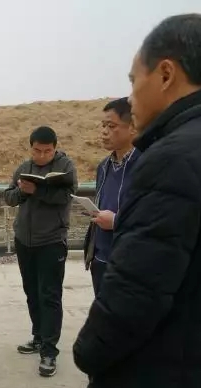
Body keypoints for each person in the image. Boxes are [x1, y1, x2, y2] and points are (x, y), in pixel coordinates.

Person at [73, 13, 201, 388]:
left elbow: (134, 297)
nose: (132, 97)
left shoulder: (172, 159)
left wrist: (88, 352)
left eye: (134, 80)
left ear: (166, 74)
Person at [3, 126, 78, 377]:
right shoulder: (24, 168)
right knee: (32, 292)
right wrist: (22, 192)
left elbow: (67, 196)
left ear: (55, 148)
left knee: (50, 296)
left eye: (47, 151)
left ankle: (49, 351)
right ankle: (38, 337)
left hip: (51, 240)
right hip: (24, 240)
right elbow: (8, 197)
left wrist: (38, 190)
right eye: (37, 151)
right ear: (31, 148)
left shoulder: (66, 166)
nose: (42, 156)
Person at [82, 98, 140, 296]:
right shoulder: (103, 167)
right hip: (100, 260)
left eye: (111, 126)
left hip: (131, 263)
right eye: (103, 125)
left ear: (133, 127)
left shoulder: (147, 164)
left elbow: (156, 215)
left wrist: (116, 221)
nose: (104, 132)